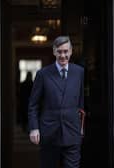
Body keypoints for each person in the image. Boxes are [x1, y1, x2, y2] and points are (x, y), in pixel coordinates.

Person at [28, 36, 84, 168]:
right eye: (59, 52)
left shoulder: (79, 72)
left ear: (71, 51)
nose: (63, 55)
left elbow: (81, 102)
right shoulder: (43, 74)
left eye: (66, 51)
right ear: (54, 52)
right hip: (49, 132)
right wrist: (34, 128)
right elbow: (33, 105)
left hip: (72, 131)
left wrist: (81, 126)